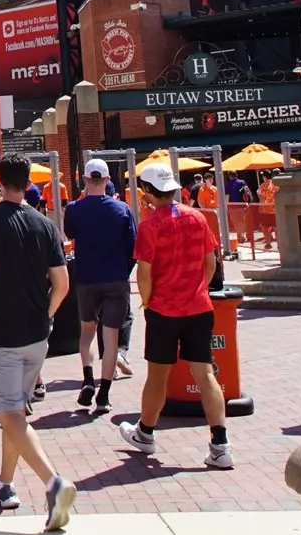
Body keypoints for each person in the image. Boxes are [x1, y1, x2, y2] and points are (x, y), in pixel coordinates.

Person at [0, 158, 76, 528]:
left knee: (10, 414)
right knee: (15, 414)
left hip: (1, 333)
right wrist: (47, 316)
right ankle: (6, 484)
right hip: (36, 334)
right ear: (29, 183)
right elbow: (61, 284)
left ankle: (54, 482)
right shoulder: (45, 224)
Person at [118, 162, 232, 469]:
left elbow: (144, 273)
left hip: (164, 309)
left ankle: (145, 432)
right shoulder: (197, 217)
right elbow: (211, 263)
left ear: (148, 192)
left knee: (158, 376)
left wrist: (147, 302)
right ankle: (220, 444)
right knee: (205, 374)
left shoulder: (149, 225)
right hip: (198, 307)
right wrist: (199, 289)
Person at [64, 158, 136, 416]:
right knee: (111, 335)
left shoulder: (74, 208)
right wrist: (122, 272)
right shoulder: (122, 209)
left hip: (86, 278)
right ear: (107, 180)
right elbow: (133, 248)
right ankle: (104, 393)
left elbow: (69, 233)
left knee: (87, 332)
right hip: (115, 277)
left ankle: (87, 379)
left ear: (84, 180)